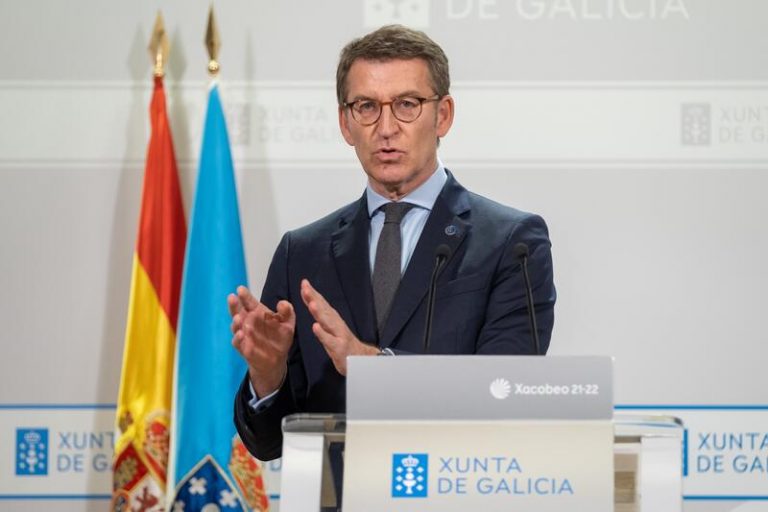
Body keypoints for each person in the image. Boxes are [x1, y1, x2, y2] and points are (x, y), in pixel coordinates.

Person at [230, 25, 556, 461]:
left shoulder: (512, 243)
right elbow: (268, 444)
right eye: (366, 107)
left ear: (443, 115)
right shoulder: (302, 252)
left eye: (406, 105)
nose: (386, 128)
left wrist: (372, 366)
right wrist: (268, 376)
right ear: (346, 123)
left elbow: (505, 393)